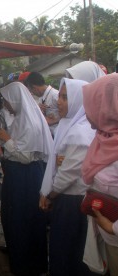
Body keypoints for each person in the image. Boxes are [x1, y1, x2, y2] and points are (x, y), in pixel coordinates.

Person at [0, 82, 53, 276]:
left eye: (5, 100)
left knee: (23, 221)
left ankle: (27, 265)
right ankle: (22, 259)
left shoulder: (28, 121)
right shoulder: (22, 117)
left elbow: (26, 157)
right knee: (15, 219)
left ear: (15, 99)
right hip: (19, 175)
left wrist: (6, 139)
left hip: (24, 176)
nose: (5, 105)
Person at [39, 78, 94, 275]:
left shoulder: (81, 132)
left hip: (73, 201)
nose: (59, 102)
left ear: (79, 99)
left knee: (68, 251)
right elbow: (57, 162)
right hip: (66, 197)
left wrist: (50, 194)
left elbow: (68, 173)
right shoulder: (68, 124)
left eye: (65, 97)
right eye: (60, 96)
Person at [81, 74, 118, 276]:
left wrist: (114, 228)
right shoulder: (105, 137)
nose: (87, 113)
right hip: (105, 233)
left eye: (92, 104)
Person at [24, 72, 60, 137]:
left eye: (31, 91)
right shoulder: (41, 98)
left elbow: (69, 114)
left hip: (58, 133)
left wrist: (55, 120)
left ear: (35, 88)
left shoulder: (55, 95)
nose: (32, 93)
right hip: (49, 133)